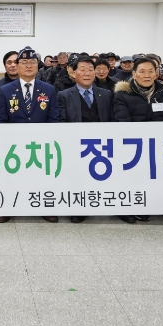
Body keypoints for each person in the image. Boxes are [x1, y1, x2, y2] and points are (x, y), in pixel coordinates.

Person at [0, 46, 59, 223]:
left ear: (38, 66)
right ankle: (7, 206)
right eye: (24, 62)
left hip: (40, 144)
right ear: (17, 65)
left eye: (32, 62)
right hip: (13, 144)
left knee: (42, 176)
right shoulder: (5, 90)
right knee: (11, 176)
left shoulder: (48, 89)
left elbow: (54, 118)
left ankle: (45, 205)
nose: (28, 65)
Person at [114, 57, 163, 224]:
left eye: (151, 71)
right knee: (137, 177)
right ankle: (139, 205)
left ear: (156, 73)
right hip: (135, 145)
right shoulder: (123, 94)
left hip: (162, 144)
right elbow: (123, 122)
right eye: (142, 71)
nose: (147, 75)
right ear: (134, 74)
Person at [57, 56, 114, 223]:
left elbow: (112, 120)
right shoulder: (64, 95)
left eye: (90, 69)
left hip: (102, 145)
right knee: (78, 177)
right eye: (82, 69)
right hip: (76, 145)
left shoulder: (106, 94)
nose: (87, 73)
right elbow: (61, 121)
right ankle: (79, 207)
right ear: (73, 73)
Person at [0, 51, 20, 122]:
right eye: (9, 63)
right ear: (5, 66)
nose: (13, 65)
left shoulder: (28, 85)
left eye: (16, 62)